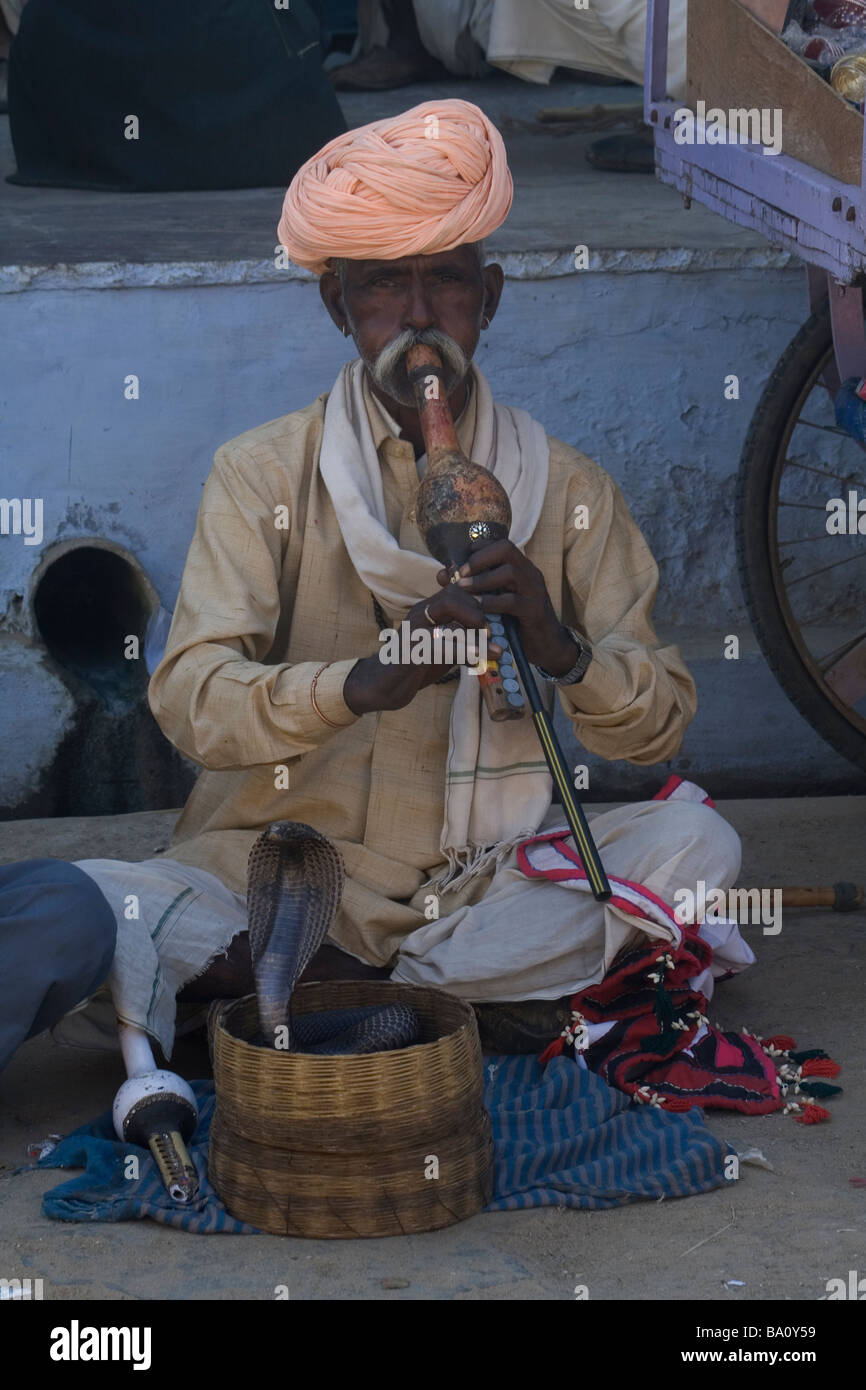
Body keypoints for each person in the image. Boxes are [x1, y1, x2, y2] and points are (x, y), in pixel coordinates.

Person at [1, 100, 745, 1070]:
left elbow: (656, 730)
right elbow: (190, 703)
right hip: (260, 884)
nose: (420, 319)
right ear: (336, 307)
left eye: (445, 284)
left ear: (491, 297)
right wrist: (367, 679)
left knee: (695, 849)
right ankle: (414, 1014)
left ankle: (348, 1004)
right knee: (85, 911)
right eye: (384, 289)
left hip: (471, 892)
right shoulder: (262, 473)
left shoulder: (564, 490)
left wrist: (560, 649)